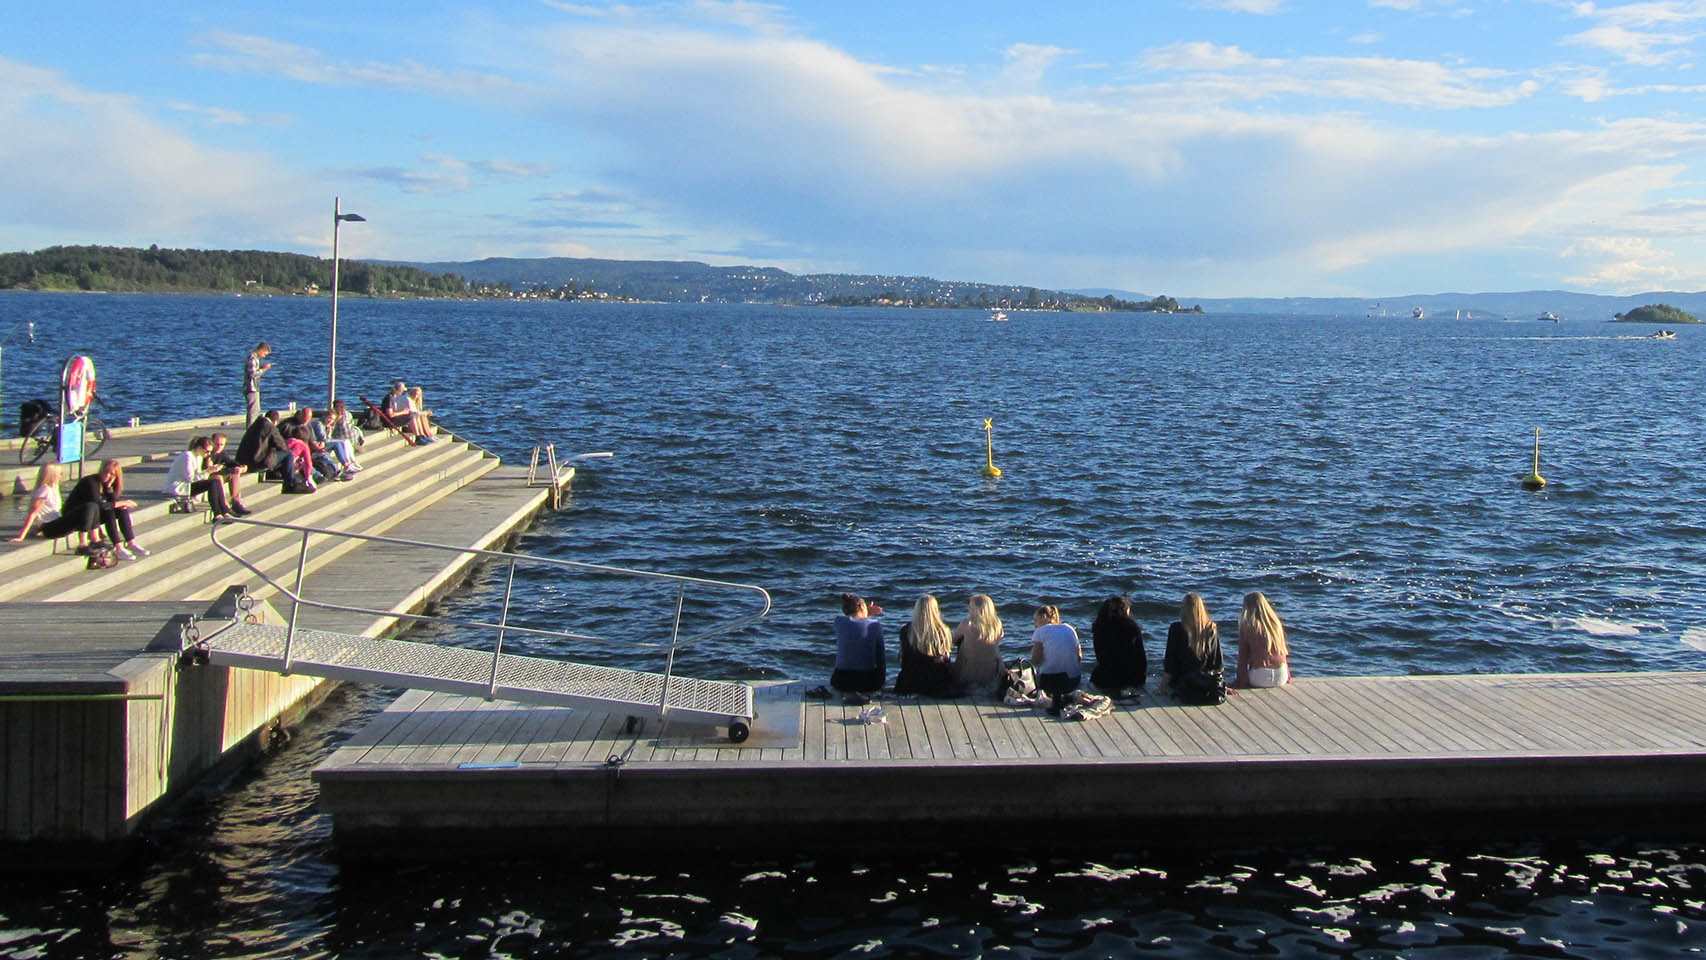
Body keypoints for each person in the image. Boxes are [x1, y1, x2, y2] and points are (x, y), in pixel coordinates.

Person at [41, 459, 148, 560]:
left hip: (91, 517)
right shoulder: (90, 482)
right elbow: (99, 505)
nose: (108, 476)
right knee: (108, 507)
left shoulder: (108, 485)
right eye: (106, 472)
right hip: (74, 516)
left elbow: (111, 503)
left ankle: (131, 543)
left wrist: (109, 489)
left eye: (112, 474)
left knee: (121, 509)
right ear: (101, 470)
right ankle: (118, 546)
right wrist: (122, 502)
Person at [1163, 593, 1226, 704]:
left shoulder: (1176, 629)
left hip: (1182, 682)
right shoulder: (1210, 629)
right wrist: (1220, 684)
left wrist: (1163, 685)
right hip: (1205, 682)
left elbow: (1170, 663)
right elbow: (1217, 664)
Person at [894, 594, 957, 697]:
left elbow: (904, 659)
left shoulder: (907, 630)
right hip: (936, 683)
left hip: (910, 682)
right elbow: (946, 659)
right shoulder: (943, 631)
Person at [1029, 604, 1082, 716]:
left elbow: (1035, 660)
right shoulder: (1069, 628)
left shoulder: (1041, 631)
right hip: (1074, 681)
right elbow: (1079, 657)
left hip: (1051, 683)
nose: (1035, 625)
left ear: (1044, 617)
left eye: (1036, 621)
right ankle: (1062, 698)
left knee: (1036, 673)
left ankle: (1056, 700)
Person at [830, 593, 885, 700]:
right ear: (860, 606)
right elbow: (881, 660)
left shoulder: (839, 622)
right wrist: (881, 682)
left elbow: (856, 623)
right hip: (868, 683)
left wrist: (866, 612)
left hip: (840, 681)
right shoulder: (875, 625)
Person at [236, 409, 306, 492]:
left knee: (279, 455)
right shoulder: (270, 427)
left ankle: (282, 475)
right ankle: (290, 483)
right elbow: (282, 446)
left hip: (244, 461)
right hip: (256, 463)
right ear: (275, 421)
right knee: (288, 455)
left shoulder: (256, 424)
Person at [164, 436, 233, 518]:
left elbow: (199, 476)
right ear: (199, 448)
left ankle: (224, 511)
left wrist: (209, 470)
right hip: (180, 487)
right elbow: (191, 478)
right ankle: (217, 514)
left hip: (188, 485)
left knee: (215, 481)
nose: (208, 454)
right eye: (207, 451)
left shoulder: (199, 457)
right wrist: (208, 471)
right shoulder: (187, 456)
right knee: (212, 483)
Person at [1090, 595, 1147, 693]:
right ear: (1125, 611)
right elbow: (1141, 659)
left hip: (1105, 679)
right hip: (1131, 679)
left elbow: (1100, 657)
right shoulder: (1133, 629)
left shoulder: (1099, 628)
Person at [951, 593, 1005, 696]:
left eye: (971, 607)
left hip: (968, 674)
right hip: (992, 673)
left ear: (977, 610)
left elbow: (953, 641)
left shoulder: (967, 624)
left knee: (961, 643)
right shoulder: (997, 625)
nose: (969, 609)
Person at [1235, 592, 1291, 688]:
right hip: (1281, 675)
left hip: (1260, 677)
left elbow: (1242, 658)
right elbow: (1283, 652)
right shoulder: (1276, 624)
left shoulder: (1248, 626)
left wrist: (1240, 681)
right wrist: (1288, 676)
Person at [9, 463, 63, 541]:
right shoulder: (44, 490)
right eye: (60, 473)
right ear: (53, 475)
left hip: (53, 522)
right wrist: (21, 536)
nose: (61, 475)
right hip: (51, 526)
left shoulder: (54, 487)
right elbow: (33, 513)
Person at [206, 433, 252, 515]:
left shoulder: (221, 453)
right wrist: (231, 469)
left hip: (217, 474)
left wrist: (241, 467)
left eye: (221, 445)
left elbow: (229, 462)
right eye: (217, 444)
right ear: (212, 442)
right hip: (207, 478)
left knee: (234, 474)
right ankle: (225, 506)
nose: (219, 447)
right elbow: (210, 471)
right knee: (218, 477)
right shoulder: (207, 453)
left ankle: (236, 503)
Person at [321, 401, 363, 473]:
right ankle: (348, 464)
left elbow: (351, 427)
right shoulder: (332, 418)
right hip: (335, 439)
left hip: (347, 439)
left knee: (346, 441)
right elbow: (325, 437)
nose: (330, 420)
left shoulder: (346, 415)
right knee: (344, 442)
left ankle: (352, 462)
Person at [244, 342, 272, 425]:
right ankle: (250, 430)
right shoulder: (252, 358)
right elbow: (252, 374)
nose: (264, 356)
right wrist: (264, 369)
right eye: (264, 354)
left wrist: (260, 368)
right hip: (251, 388)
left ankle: (252, 429)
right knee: (253, 412)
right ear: (261, 350)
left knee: (255, 411)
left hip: (254, 388)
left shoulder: (254, 358)